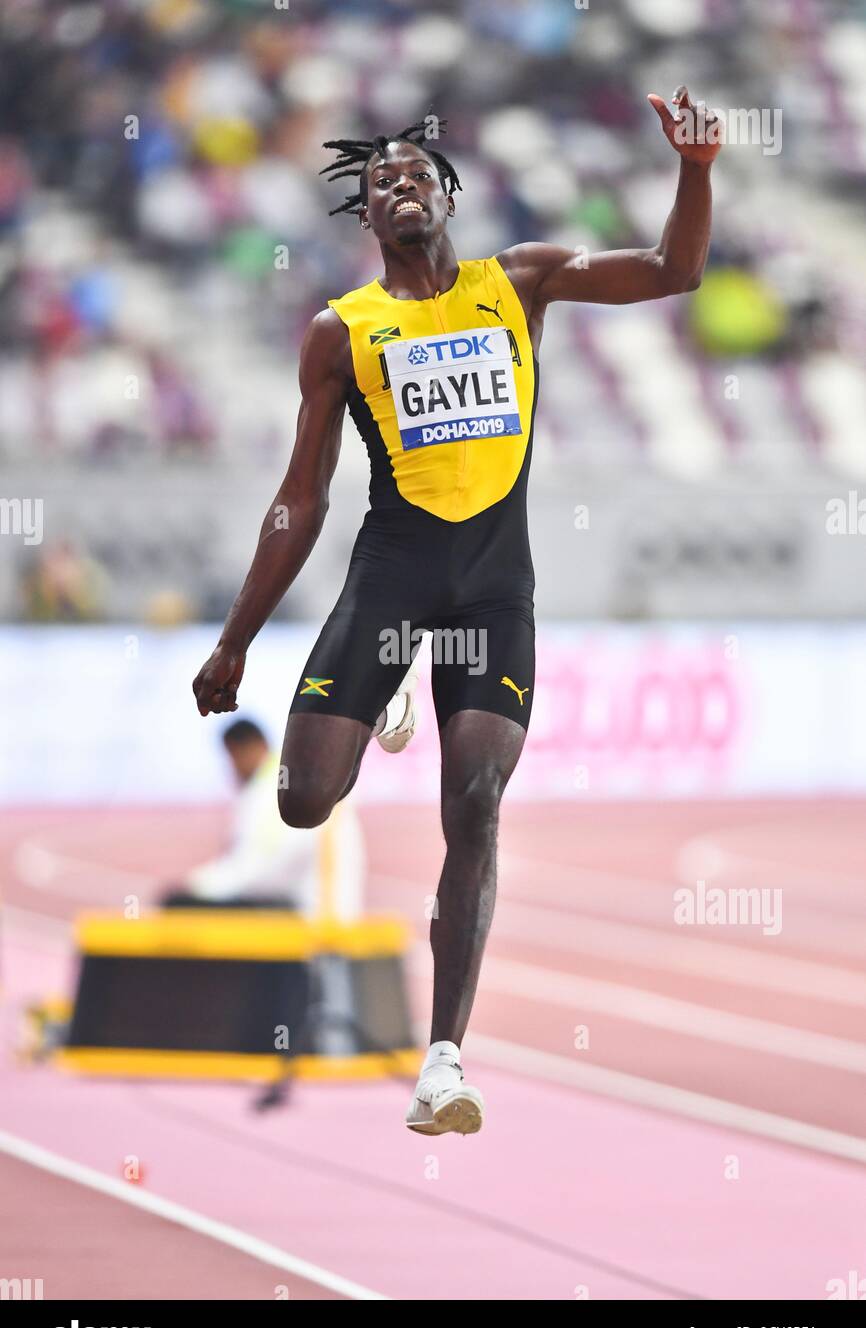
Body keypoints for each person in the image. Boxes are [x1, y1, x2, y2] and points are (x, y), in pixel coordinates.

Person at [193, 90, 720, 1135]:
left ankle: (442, 1060)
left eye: (413, 173)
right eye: (378, 179)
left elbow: (674, 271)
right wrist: (233, 640)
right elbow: (302, 496)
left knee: (473, 799)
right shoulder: (342, 331)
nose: (397, 185)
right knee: (303, 800)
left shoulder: (517, 283)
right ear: (365, 215)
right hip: (391, 579)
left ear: (445, 194)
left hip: (490, 586)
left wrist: (694, 170)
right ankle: (382, 694)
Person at [162, 717, 365, 917]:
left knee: (179, 904)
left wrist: (198, 884)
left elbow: (255, 868)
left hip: (313, 915)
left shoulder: (274, 789)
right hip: (318, 907)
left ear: (248, 749)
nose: (232, 769)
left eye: (232, 758)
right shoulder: (286, 778)